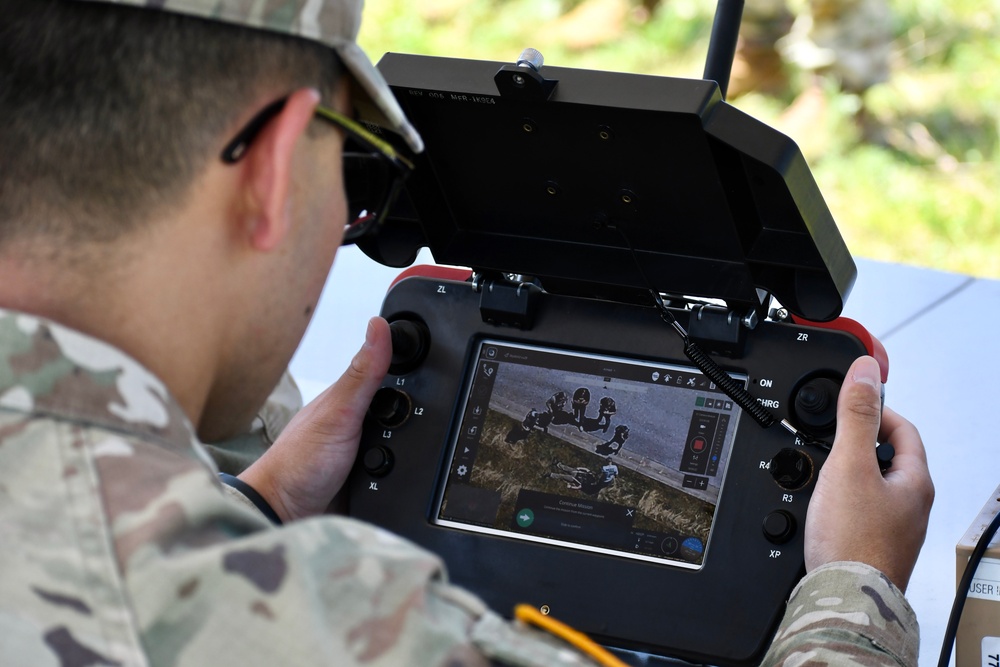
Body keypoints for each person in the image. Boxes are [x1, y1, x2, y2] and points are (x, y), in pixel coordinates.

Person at [0, 3, 934, 667]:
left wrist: (265, 499)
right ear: (276, 166)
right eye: (359, 171)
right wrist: (855, 591)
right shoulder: (354, 630)